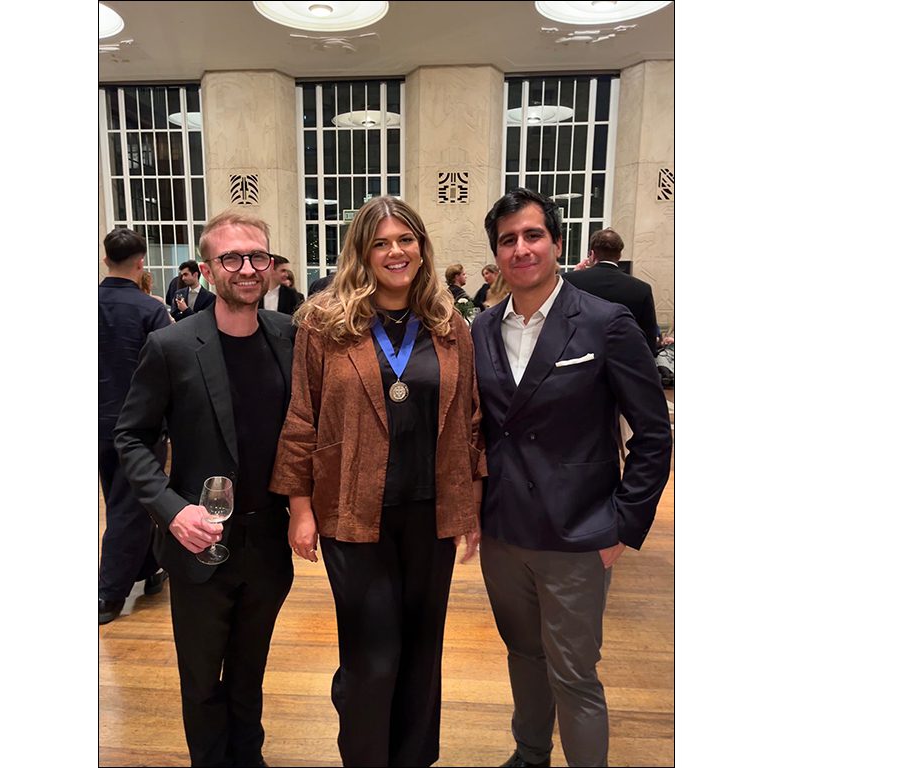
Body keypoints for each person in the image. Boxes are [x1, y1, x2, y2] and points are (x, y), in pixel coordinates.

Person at [270, 196, 485, 767]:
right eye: (381, 242)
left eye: (406, 240)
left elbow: (470, 421)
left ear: (422, 247)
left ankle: (413, 758)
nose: (396, 252)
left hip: (430, 514)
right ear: (362, 252)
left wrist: (471, 507)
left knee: (422, 650)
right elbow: (301, 417)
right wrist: (299, 508)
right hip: (353, 514)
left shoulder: (449, 324)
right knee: (373, 654)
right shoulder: (323, 323)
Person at [472, 188, 672, 768]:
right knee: (523, 655)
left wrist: (623, 524)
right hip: (504, 532)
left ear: (558, 244)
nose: (521, 248)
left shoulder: (605, 323)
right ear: (496, 253)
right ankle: (530, 754)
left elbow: (653, 434)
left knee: (575, 672)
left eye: (533, 235)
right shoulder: (481, 329)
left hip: (579, 532)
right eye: (508, 240)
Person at [114, 211, 296, 767]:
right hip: (197, 544)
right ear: (209, 269)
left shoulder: (290, 337)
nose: (247, 268)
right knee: (200, 680)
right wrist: (171, 510)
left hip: (268, 544)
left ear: (270, 265)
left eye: (257, 256)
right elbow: (132, 436)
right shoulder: (171, 346)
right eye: (231, 258)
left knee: (249, 672)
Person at [98, 228, 172, 625]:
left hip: (98, 420)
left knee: (120, 500)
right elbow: (168, 370)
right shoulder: (150, 311)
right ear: (141, 262)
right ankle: (109, 593)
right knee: (129, 506)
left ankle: (150, 567)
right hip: (138, 424)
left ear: (105, 259)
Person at [564, 228, 661, 356]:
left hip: (578, 358)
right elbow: (649, 339)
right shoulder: (642, 289)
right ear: (619, 255)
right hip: (624, 360)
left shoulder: (570, 281)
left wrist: (573, 276)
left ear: (592, 254)